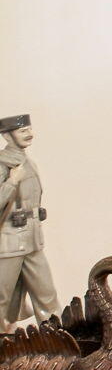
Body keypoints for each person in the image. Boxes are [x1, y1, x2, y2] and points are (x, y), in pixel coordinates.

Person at [0, 113, 58, 327]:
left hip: (32, 240)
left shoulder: (28, 162)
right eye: (22, 131)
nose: (29, 134)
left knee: (46, 293)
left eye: (29, 129)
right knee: (2, 297)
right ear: (7, 136)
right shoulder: (4, 164)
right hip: (9, 243)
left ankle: (56, 336)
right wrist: (11, 182)